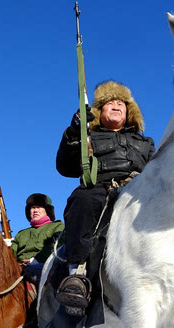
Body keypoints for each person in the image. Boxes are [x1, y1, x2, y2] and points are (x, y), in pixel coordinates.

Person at [55, 80, 155, 311]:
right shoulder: (88, 137)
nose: (116, 105)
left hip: (140, 190)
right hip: (101, 190)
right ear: (100, 111)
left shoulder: (145, 143)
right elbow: (65, 167)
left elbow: (160, 169)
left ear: (130, 111)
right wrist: (74, 132)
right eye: (110, 102)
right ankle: (76, 275)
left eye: (121, 102)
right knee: (82, 198)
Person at [10, 193, 65, 284]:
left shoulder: (57, 226)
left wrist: (37, 260)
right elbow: (11, 254)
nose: (35, 210)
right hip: (18, 268)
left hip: (45, 266)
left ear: (47, 210)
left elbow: (56, 245)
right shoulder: (21, 234)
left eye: (39, 207)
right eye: (32, 208)